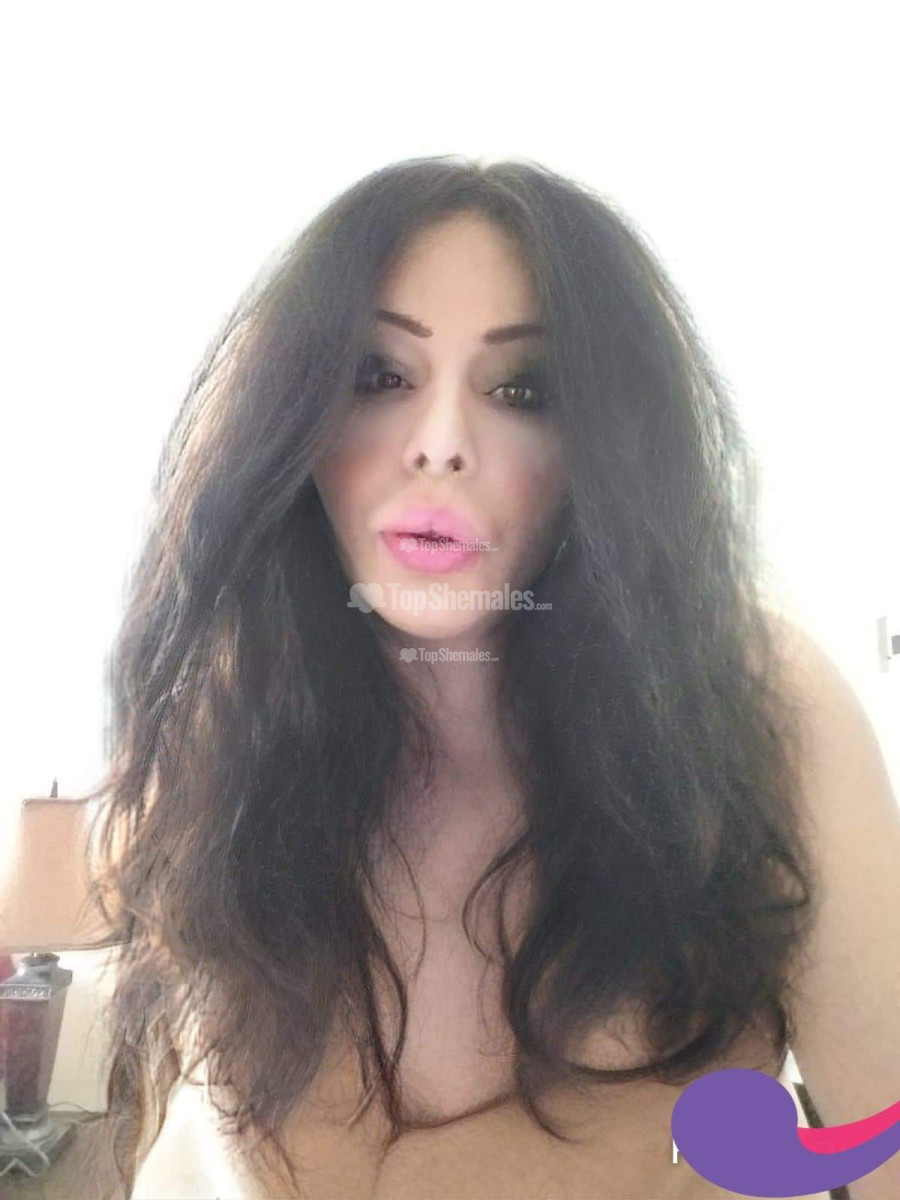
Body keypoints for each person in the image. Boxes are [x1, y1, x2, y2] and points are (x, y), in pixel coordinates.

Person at [80, 155, 898, 1199]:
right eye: (379, 377)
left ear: (605, 444)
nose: (441, 446)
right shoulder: (229, 725)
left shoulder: (756, 703)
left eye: (523, 390)